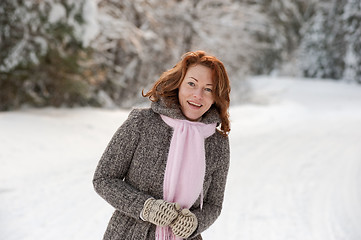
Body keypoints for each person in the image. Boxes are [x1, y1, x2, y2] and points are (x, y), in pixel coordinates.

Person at [93, 50, 231, 240]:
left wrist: (195, 223)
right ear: (179, 84)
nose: (198, 95)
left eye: (208, 89)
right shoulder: (141, 123)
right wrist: (146, 207)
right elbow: (104, 179)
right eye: (191, 84)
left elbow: (213, 204)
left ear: (217, 96)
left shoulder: (218, 143)